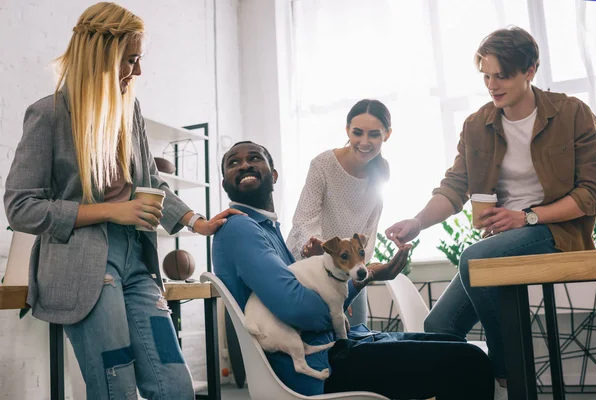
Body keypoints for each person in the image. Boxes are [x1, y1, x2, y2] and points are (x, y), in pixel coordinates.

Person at [3, 3, 241, 399]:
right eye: (131, 60)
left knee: (175, 385)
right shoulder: (48, 115)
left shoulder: (129, 113)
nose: (139, 71)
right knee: (117, 387)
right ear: (101, 54)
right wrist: (113, 210)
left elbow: (151, 182)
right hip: (86, 269)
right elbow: (21, 206)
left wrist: (197, 222)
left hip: (137, 263)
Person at [385, 26, 596, 396]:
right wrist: (418, 222)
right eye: (486, 75)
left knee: (473, 258)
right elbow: (455, 187)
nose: (492, 85)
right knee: (439, 326)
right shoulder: (477, 126)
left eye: (502, 76)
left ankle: (509, 369)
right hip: (503, 241)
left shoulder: (571, 113)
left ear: (530, 71)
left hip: (557, 233)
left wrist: (528, 216)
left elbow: (593, 191)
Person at [213, 140, 495, 400]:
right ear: (225, 183)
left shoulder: (267, 229)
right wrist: (338, 307)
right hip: (317, 365)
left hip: (333, 346)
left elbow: (318, 301)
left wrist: (368, 275)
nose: (245, 165)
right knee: (469, 362)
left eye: (254, 158)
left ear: (274, 175)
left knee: (454, 343)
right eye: (233, 163)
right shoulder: (241, 228)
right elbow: (298, 308)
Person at [286, 99, 391, 327]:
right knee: (317, 337)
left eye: (374, 134)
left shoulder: (381, 172)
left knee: (354, 338)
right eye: (357, 133)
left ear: (387, 134)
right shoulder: (323, 164)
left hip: (350, 269)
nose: (364, 142)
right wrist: (326, 260)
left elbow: (369, 229)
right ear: (347, 131)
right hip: (310, 264)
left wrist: (349, 277)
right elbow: (304, 219)